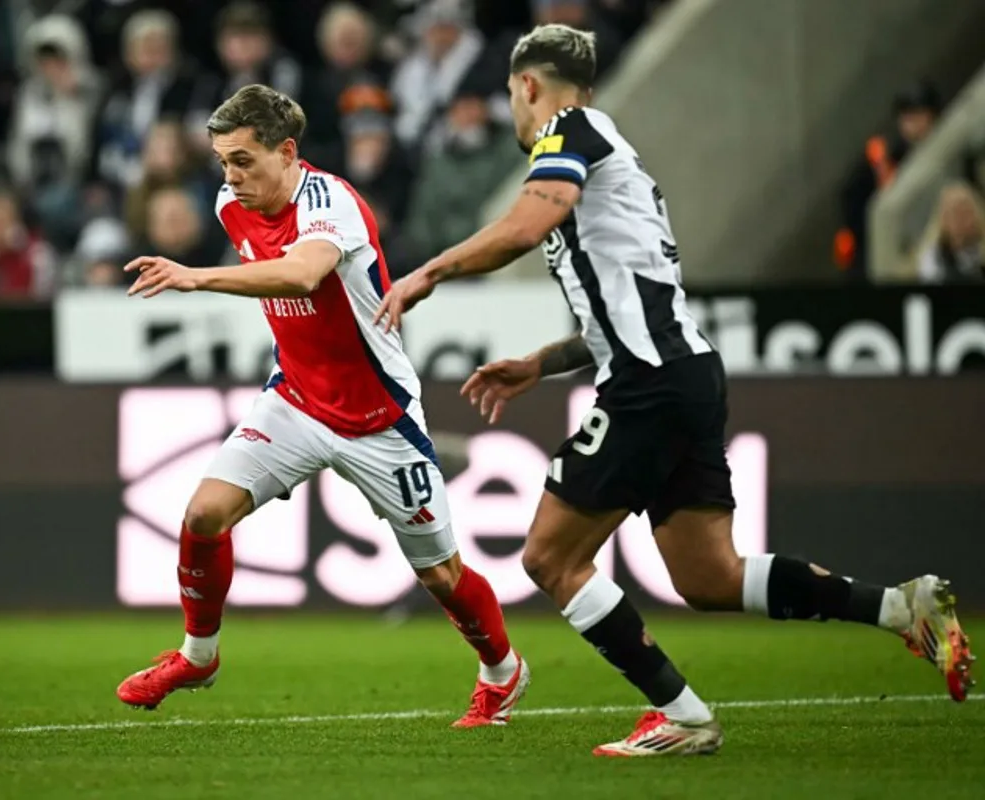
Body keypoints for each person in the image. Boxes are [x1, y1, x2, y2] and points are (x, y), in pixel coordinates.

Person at [375, 23, 975, 757]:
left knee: (548, 559)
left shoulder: (571, 132)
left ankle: (684, 716)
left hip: (650, 384)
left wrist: (428, 271)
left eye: (509, 94)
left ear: (527, 87)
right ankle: (900, 607)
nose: (512, 109)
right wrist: (542, 361)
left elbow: (531, 223)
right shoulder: (607, 154)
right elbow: (627, 302)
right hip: (680, 371)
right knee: (708, 575)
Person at [115, 84, 528, 728]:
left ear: (286, 152)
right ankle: (199, 656)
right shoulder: (231, 203)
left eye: (244, 160)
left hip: (378, 417)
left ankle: (502, 671)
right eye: (223, 161)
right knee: (203, 515)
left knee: (442, 577)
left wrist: (196, 276)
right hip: (296, 399)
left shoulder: (330, 201)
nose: (230, 176)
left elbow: (302, 273)